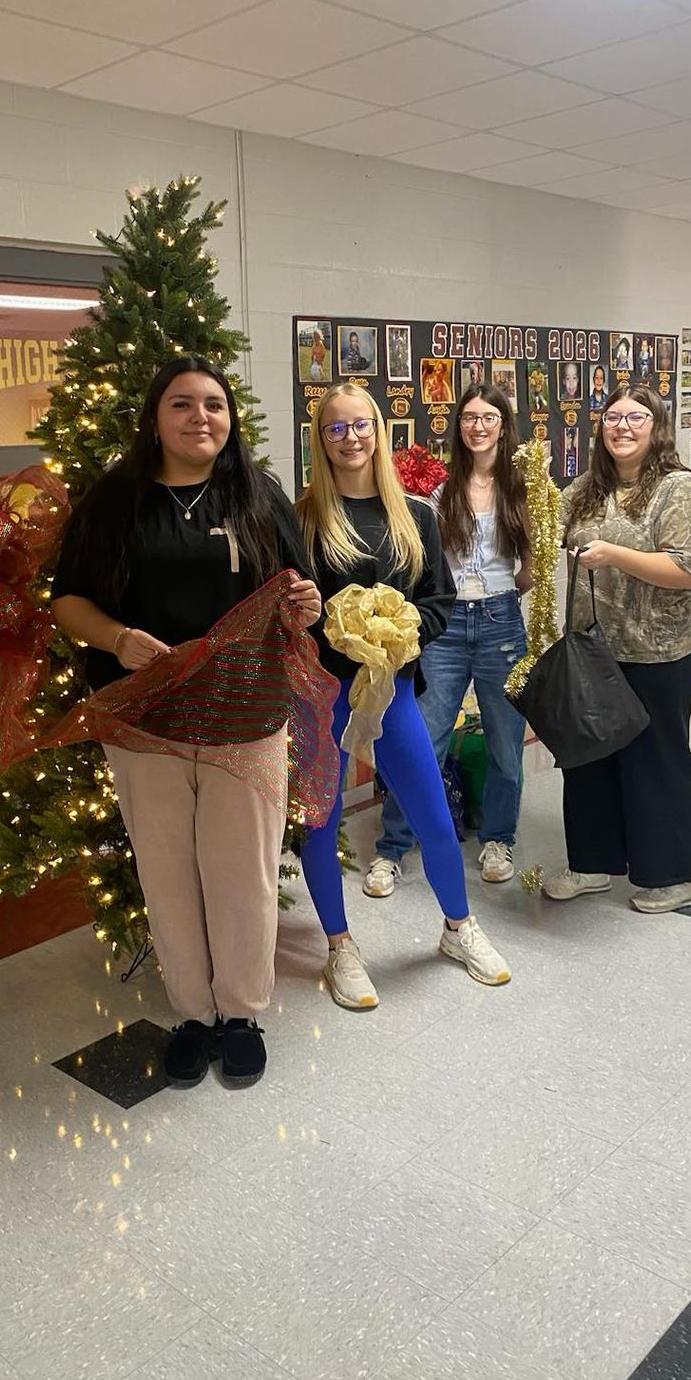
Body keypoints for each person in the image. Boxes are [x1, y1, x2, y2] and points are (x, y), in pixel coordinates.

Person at [50, 356, 321, 1088]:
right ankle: (193, 1014)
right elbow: (66, 600)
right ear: (155, 418)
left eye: (214, 404)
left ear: (230, 418)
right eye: (182, 404)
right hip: (148, 720)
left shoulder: (258, 495)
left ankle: (240, 1014)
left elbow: (300, 591)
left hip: (247, 714)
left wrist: (306, 607)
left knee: (243, 875)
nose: (201, 417)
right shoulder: (114, 501)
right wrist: (116, 640)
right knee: (167, 872)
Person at [296, 383, 510, 1010]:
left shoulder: (414, 514)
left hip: (394, 695)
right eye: (336, 429)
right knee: (321, 822)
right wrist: (336, 628)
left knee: (433, 818)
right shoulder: (302, 517)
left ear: (378, 431)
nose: (351, 438)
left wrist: (400, 630)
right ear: (321, 440)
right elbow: (290, 611)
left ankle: (458, 927)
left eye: (361, 425)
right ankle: (340, 946)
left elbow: (440, 601)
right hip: (325, 699)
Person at [544, 384, 691, 913]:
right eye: (613, 417)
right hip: (595, 650)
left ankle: (676, 875)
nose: (622, 427)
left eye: (635, 418)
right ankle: (593, 864)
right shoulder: (587, 488)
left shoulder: (678, 489)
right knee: (588, 757)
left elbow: (684, 572)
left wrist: (613, 554)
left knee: (656, 760)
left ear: (656, 426)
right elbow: (541, 526)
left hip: (658, 652)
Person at [366, 385, 531, 897]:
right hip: (448, 625)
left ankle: (498, 839)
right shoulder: (441, 488)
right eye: (468, 419)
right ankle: (392, 848)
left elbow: (537, 563)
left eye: (488, 417)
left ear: (504, 424)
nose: (478, 426)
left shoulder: (524, 485)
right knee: (424, 739)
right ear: (458, 427)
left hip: (502, 621)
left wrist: (509, 594)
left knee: (506, 742)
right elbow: (426, 558)